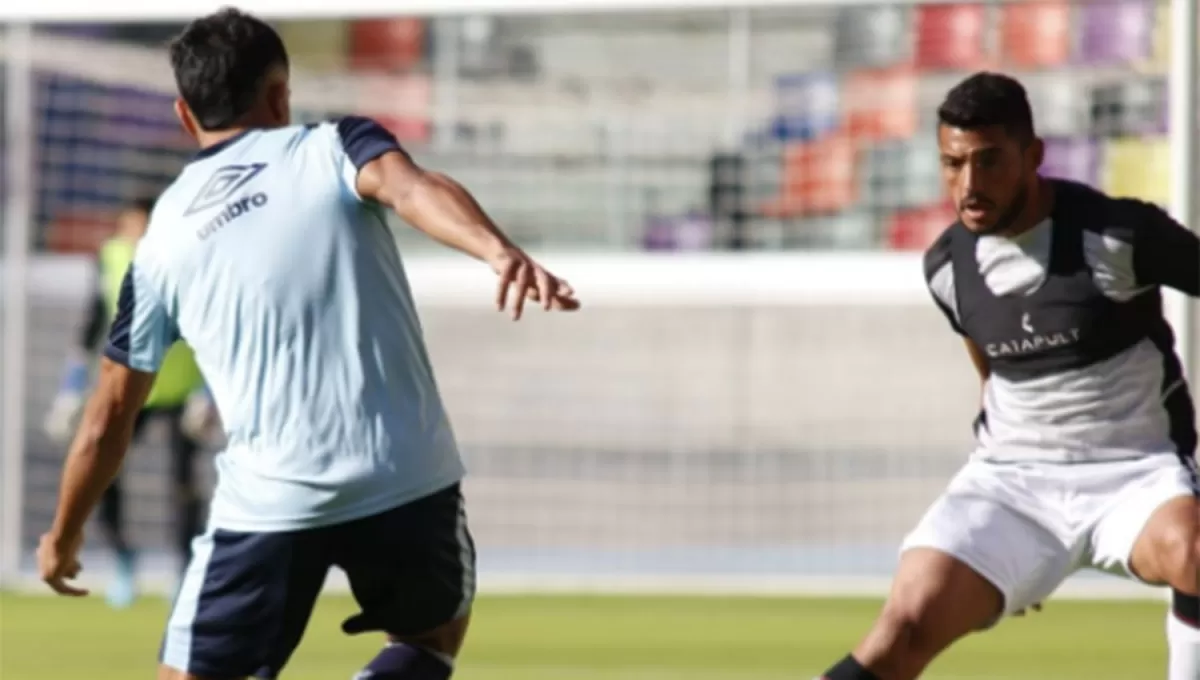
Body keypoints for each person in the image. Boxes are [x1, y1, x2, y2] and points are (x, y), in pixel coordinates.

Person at [36, 7, 578, 680]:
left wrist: (64, 536)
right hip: (405, 474)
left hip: (272, 498)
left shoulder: (159, 244)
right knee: (430, 639)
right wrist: (494, 250)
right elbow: (412, 187)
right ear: (280, 94)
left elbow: (106, 417)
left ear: (184, 115)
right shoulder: (334, 146)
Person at [817, 72, 1200, 680]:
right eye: (952, 163)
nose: (968, 184)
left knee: (1195, 554)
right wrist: (1012, 555)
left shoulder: (1118, 235)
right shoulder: (946, 267)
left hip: (1136, 475)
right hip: (1013, 486)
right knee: (904, 625)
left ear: (1033, 156)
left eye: (989, 161)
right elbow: (992, 375)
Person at [43, 196, 216, 609]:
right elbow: (91, 321)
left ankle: (184, 571)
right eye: (130, 224)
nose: (136, 231)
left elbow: (210, 321)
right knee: (102, 473)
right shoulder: (110, 258)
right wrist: (71, 388)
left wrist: (208, 392)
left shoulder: (183, 252)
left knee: (183, 483)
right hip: (129, 387)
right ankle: (123, 560)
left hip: (180, 388)